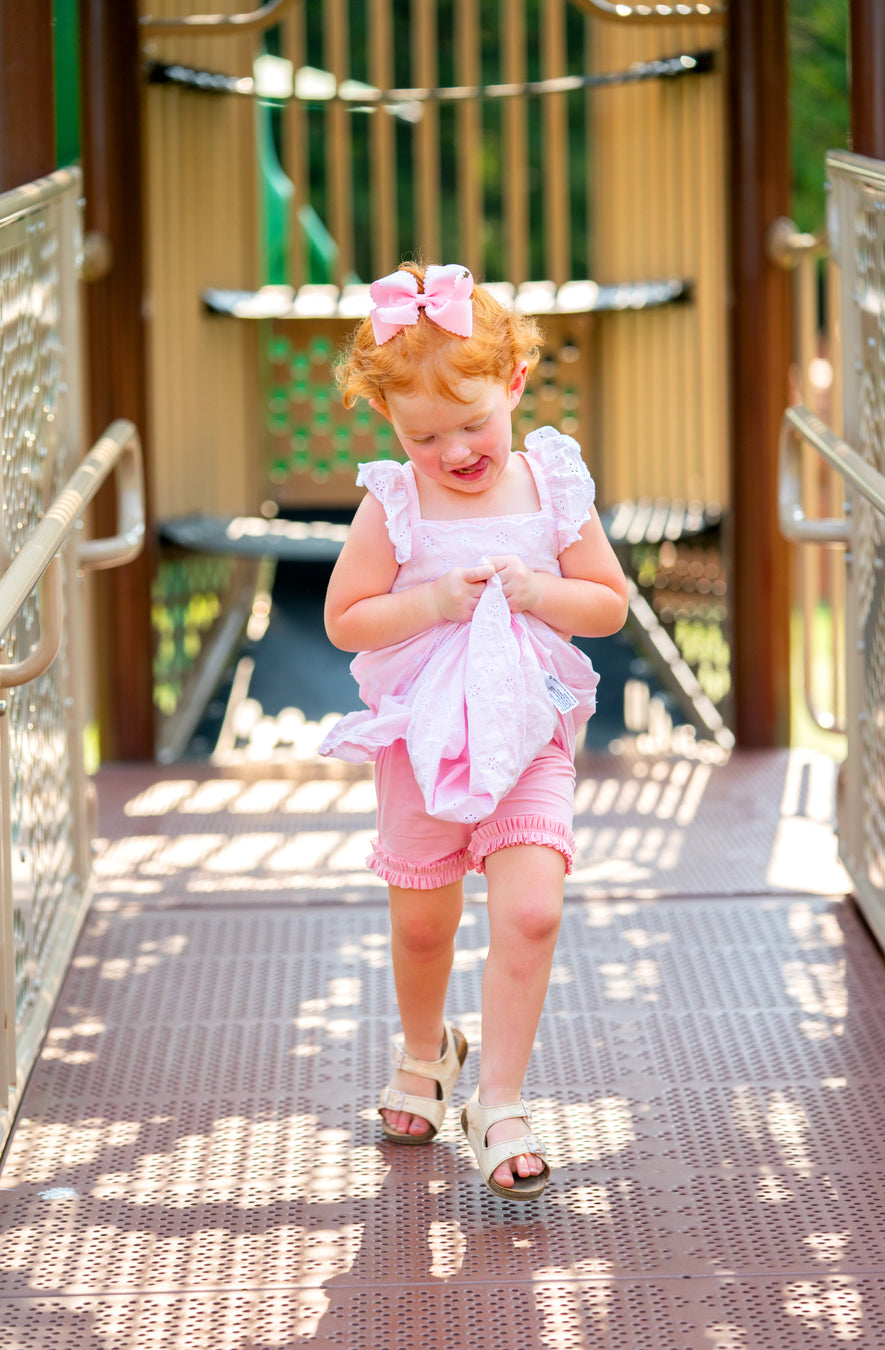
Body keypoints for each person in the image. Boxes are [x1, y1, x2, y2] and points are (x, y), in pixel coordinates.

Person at [319, 261, 628, 1201]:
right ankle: (428, 1049)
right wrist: (431, 602)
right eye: (425, 435)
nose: (454, 450)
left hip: (527, 725)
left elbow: (609, 604)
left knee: (531, 906)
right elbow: (347, 619)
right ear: (391, 427)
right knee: (424, 922)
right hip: (424, 735)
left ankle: (502, 1098)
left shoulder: (551, 483)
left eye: (473, 423)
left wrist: (537, 591)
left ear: (516, 388)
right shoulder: (396, 503)